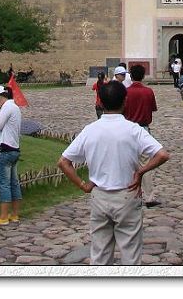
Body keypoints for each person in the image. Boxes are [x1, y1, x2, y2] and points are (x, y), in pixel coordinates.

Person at [57, 80, 170, 265]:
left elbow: (63, 162)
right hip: (127, 194)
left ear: (100, 102)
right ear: (125, 101)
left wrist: (83, 186)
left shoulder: (90, 130)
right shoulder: (133, 129)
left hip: (99, 196)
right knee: (130, 254)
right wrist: (141, 171)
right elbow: (163, 154)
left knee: (100, 254)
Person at [122, 64, 161, 207]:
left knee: (128, 163)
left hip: (128, 129)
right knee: (146, 164)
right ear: (143, 76)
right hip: (143, 130)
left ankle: (129, 195)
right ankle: (149, 196)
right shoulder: (148, 92)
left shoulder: (125, 92)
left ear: (130, 76)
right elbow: (153, 108)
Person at [0, 85, 23, 226]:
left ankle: (3, 217)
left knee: (4, 184)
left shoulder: (7, 107)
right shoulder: (15, 107)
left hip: (5, 151)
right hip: (14, 149)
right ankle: (14, 214)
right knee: (14, 183)